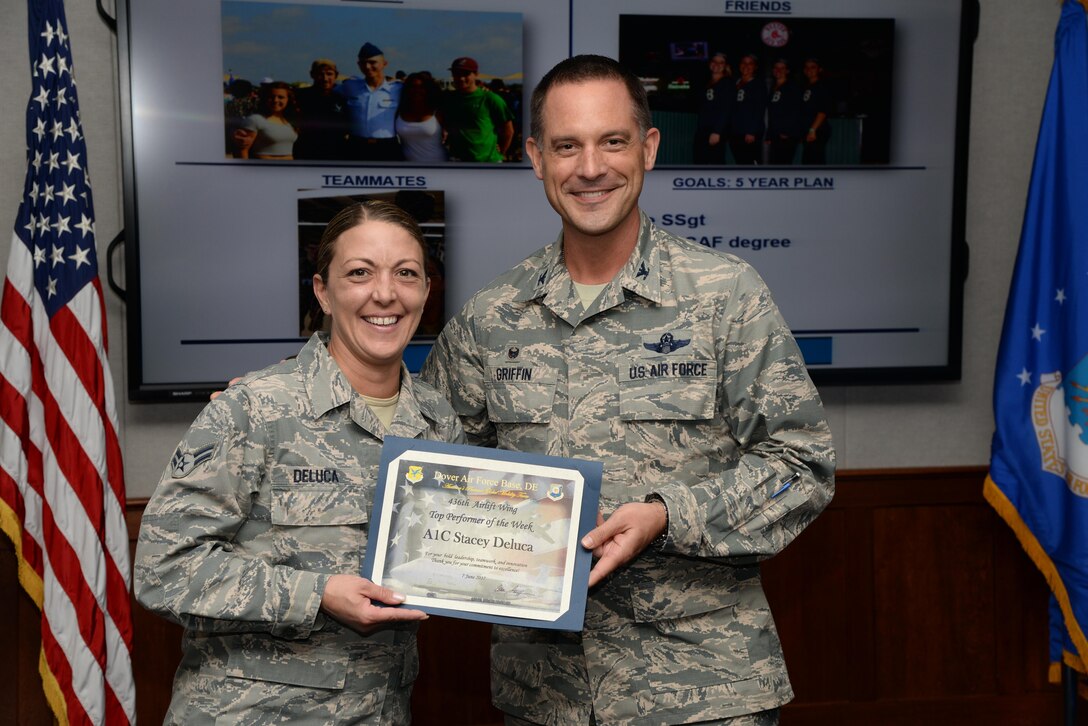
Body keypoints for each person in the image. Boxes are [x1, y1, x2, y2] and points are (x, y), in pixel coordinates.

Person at [420, 54, 835, 725]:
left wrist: (666, 515)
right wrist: (292, 396)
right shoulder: (492, 318)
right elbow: (424, 471)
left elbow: (802, 468)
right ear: (535, 157)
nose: (590, 168)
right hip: (545, 698)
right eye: (566, 146)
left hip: (705, 693)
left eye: (612, 141)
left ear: (647, 148)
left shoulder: (725, 295)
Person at [135, 200, 464, 724]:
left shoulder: (438, 424)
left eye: (406, 274)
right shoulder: (254, 409)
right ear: (322, 292)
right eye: (359, 273)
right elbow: (162, 567)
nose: (386, 293)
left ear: (426, 290)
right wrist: (317, 594)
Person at [442, 56, 515, 163]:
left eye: (466, 74)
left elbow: (508, 130)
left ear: (476, 75)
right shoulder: (449, 99)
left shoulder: (491, 99)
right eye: (457, 74)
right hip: (457, 160)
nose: (461, 78)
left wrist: (501, 152)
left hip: (488, 161)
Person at [341, 42, 403, 161]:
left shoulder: (398, 88)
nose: (368, 66)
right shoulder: (349, 87)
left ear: (385, 63)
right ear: (358, 65)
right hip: (356, 146)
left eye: (372, 62)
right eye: (363, 63)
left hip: (387, 147)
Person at [294, 58, 349, 161]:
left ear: (336, 76)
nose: (325, 78)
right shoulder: (300, 95)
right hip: (307, 150)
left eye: (329, 74)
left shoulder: (343, 97)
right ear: (312, 75)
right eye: (320, 74)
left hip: (336, 151)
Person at [236, 81, 298, 160]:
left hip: (288, 170)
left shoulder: (290, 121)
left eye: (280, 97)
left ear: (288, 99)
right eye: (271, 97)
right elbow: (242, 150)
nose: (275, 100)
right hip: (264, 169)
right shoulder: (255, 119)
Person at [395, 71, 448, 163]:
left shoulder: (438, 111)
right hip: (407, 169)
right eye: (413, 87)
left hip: (438, 166)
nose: (417, 90)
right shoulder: (399, 111)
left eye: (422, 87)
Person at [692, 51, 733, 165]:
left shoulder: (727, 83)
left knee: (714, 162)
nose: (717, 64)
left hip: (714, 131)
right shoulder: (708, 82)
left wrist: (717, 132)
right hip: (703, 129)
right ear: (710, 64)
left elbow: (727, 109)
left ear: (725, 66)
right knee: (700, 161)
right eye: (715, 61)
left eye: (721, 62)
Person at [729, 54, 768, 165]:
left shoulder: (758, 84)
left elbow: (759, 108)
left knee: (752, 163)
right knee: (740, 162)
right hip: (735, 131)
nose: (746, 66)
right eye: (743, 63)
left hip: (749, 133)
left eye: (750, 63)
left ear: (755, 67)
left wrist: (752, 131)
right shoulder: (736, 82)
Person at [765, 58, 803, 165]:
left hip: (786, 135)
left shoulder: (792, 87)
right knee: (774, 165)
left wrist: (787, 131)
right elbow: (772, 113)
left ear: (787, 71)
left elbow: (796, 111)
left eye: (782, 68)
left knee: (783, 165)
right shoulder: (774, 87)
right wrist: (769, 134)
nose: (778, 70)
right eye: (776, 68)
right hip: (776, 134)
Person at [800, 57, 832, 165]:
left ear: (819, 69)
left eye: (813, 67)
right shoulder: (806, 86)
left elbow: (823, 110)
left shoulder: (822, 86)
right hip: (808, 129)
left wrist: (813, 130)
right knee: (808, 161)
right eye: (807, 67)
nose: (810, 70)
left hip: (817, 130)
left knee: (815, 162)